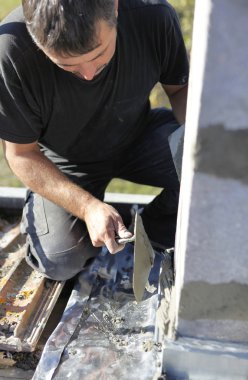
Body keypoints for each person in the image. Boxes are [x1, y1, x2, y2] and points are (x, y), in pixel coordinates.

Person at [0, 0, 189, 281]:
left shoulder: (153, 16)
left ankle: (149, 235)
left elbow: (181, 90)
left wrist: (200, 157)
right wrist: (87, 207)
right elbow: (21, 155)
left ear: (114, 8)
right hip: (64, 162)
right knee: (60, 260)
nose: (88, 74)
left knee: (219, 166)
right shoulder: (11, 50)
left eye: (99, 54)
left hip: (140, 135)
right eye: (68, 66)